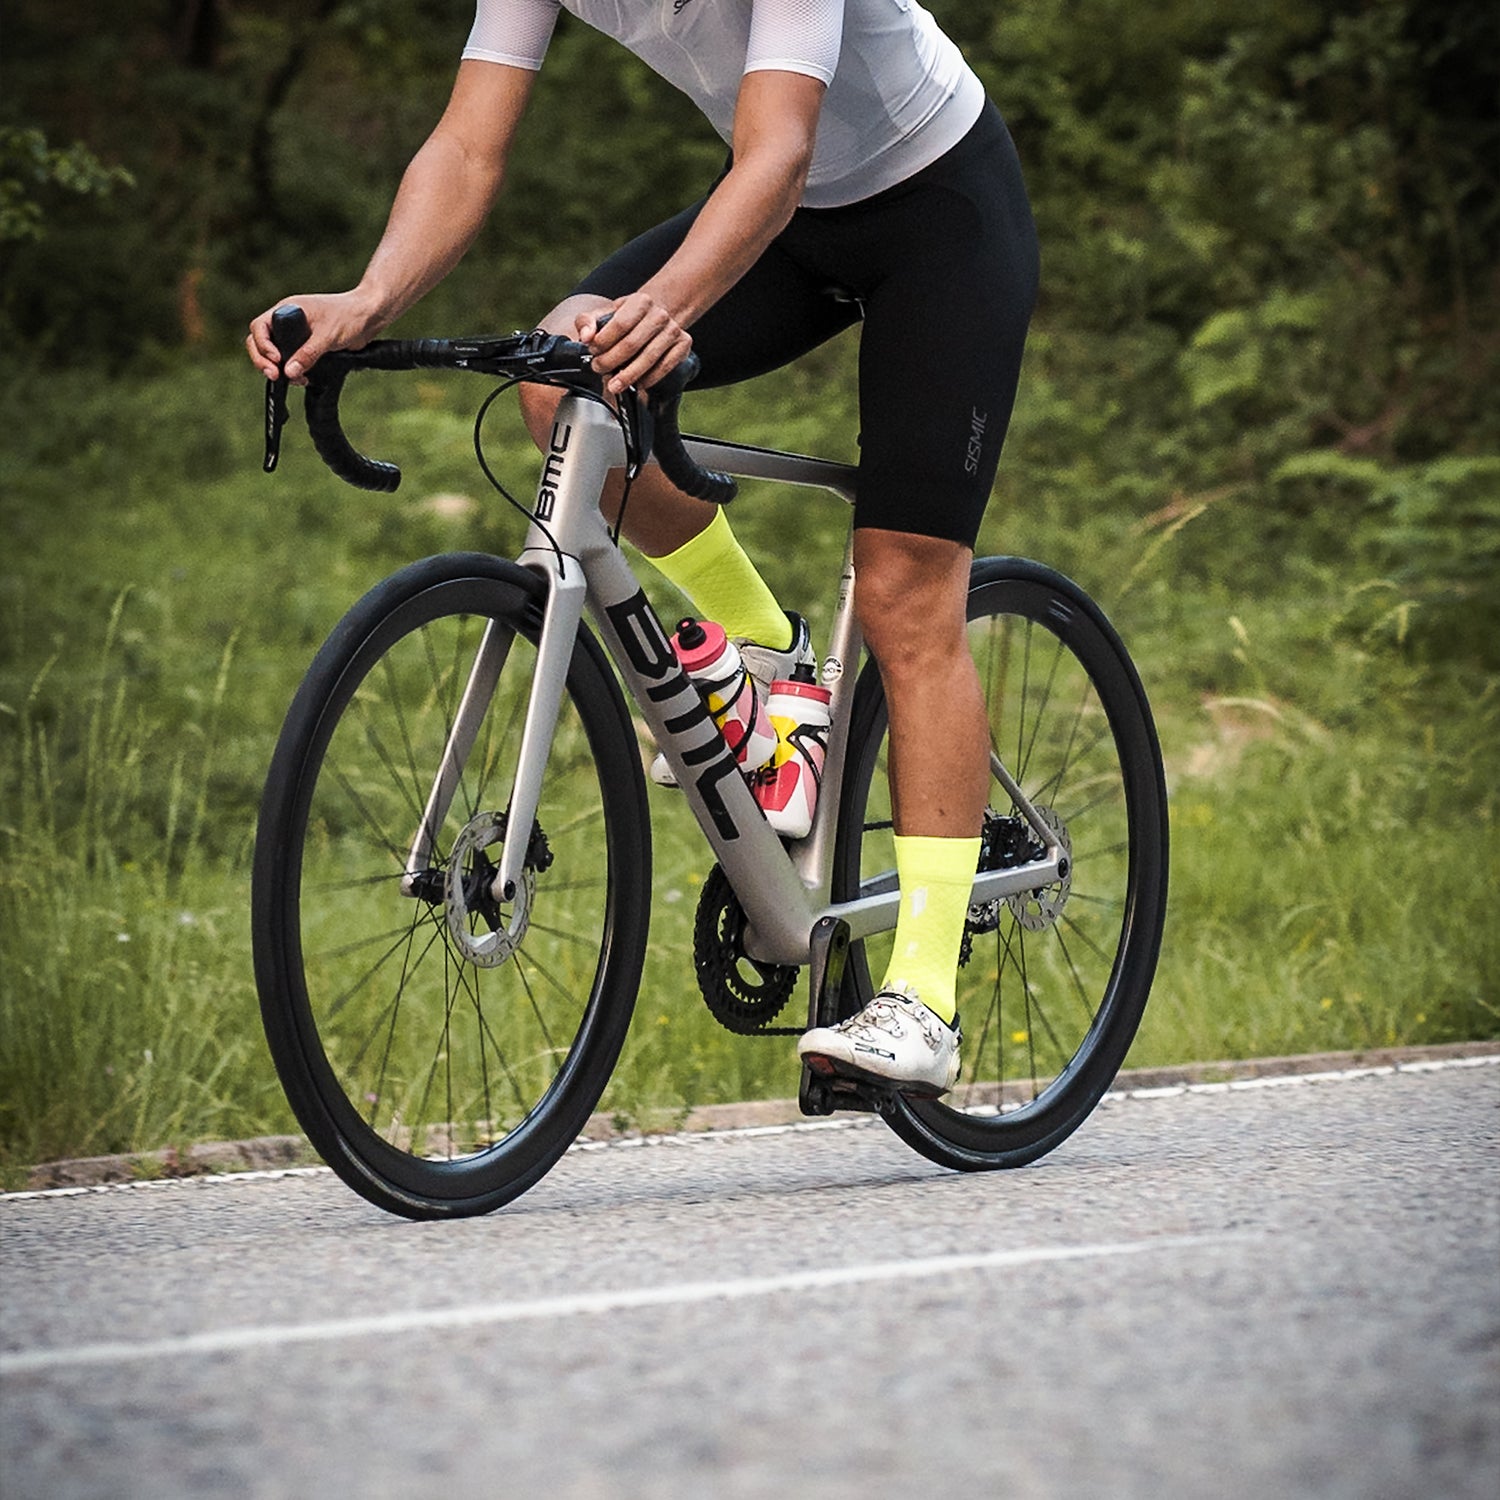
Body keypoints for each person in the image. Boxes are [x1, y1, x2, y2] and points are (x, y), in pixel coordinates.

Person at [246, 0, 1039, 1099]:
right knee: (556, 380)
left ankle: (924, 1001)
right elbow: (468, 146)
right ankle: (769, 653)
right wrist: (369, 298)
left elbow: (778, 149)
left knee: (908, 590)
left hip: (939, 214)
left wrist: (662, 309)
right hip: (785, 220)